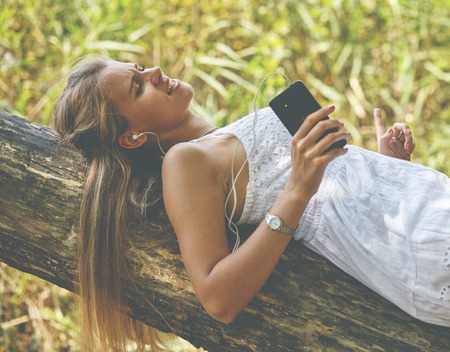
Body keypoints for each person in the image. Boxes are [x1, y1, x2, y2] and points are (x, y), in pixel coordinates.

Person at [52, 56, 450, 351]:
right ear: (133, 138)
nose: (153, 72)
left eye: (139, 68)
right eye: (139, 87)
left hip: (420, 211)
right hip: (415, 243)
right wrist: (297, 188)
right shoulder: (183, 162)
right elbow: (218, 298)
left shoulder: (218, 138)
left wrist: (387, 167)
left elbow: (339, 186)